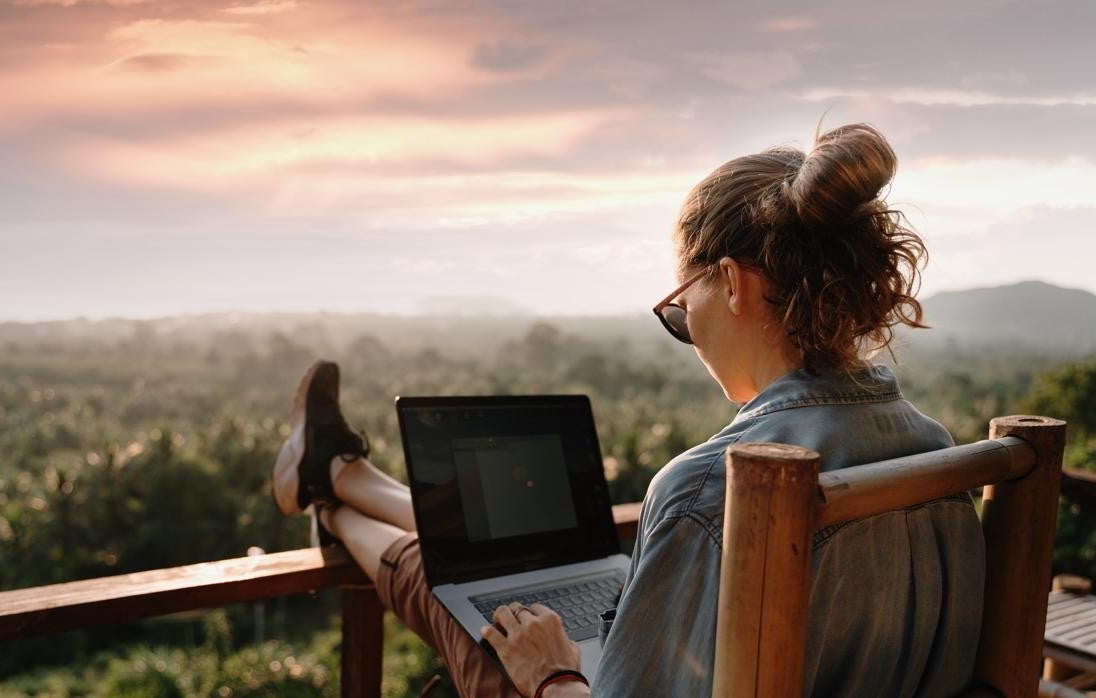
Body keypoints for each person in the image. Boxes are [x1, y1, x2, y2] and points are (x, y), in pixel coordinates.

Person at [270, 123, 983, 697]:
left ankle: (331, 495)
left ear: (731, 283)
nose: (688, 331)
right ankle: (340, 477)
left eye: (682, 308)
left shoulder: (712, 492)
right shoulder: (937, 452)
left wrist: (551, 673)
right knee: (481, 571)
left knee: (454, 589)